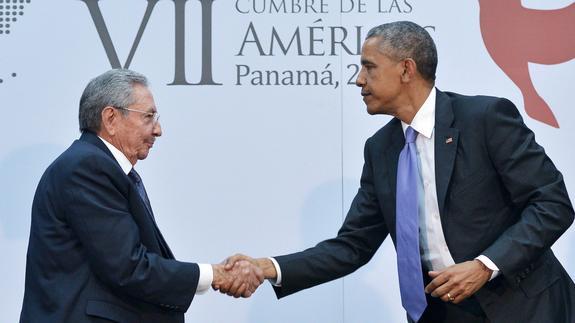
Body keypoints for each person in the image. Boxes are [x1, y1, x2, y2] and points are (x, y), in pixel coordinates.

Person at [221, 21, 575, 322]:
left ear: (406, 69)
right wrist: (266, 267)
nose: (359, 80)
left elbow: (552, 204)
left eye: (369, 67)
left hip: (527, 307)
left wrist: (485, 265)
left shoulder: (484, 119)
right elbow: (352, 247)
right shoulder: (381, 150)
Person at [20, 69, 263, 323]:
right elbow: (127, 267)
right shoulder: (86, 167)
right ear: (111, 118)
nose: (158, 130)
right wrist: (214, 275)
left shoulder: (101, 168)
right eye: (148, 117)